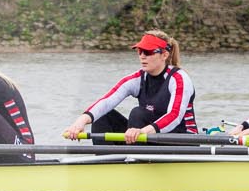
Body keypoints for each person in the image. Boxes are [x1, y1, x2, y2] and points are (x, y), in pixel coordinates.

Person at [62, 31, 197, 140]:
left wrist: (143, 131)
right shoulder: (137, 79)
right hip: (147, 136)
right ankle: (106, 163)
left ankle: (135, 161)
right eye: (140, 51)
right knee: (102, 116)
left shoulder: (179, 78)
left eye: (148, 52)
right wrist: (80, 122)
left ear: (164, 55)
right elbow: (107, 101)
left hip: (182, 138)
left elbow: (174, 115)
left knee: (137, 114)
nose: (142, 56)